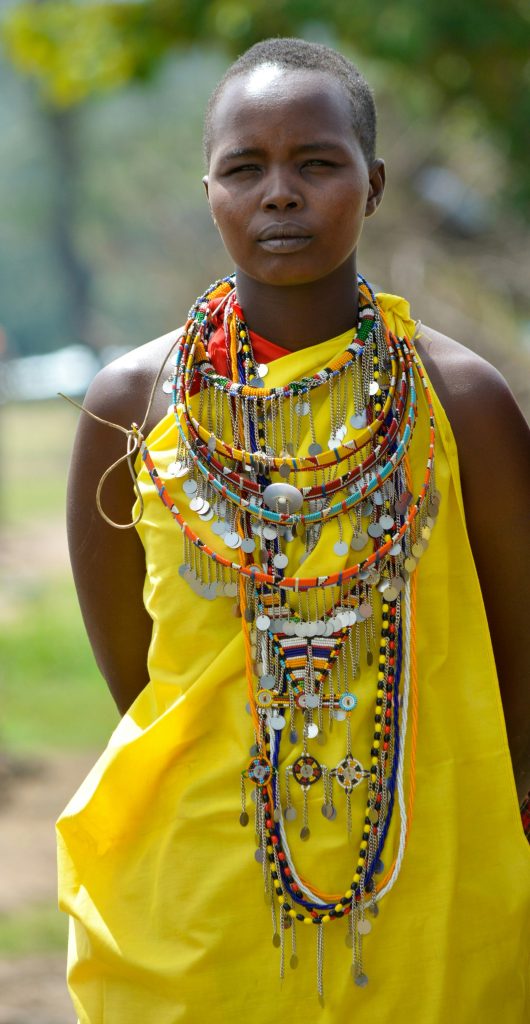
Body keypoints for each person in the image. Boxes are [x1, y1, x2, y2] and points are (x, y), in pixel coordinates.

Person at [57, 37, 530, 1024]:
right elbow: (139, 677)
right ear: (210, 191)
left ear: (373, 182)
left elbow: (521, 669)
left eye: (316, 162)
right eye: (246, 168)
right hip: (193, 888)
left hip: (426, 868)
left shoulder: (463, 404)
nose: (280, 194)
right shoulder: (131, 403)